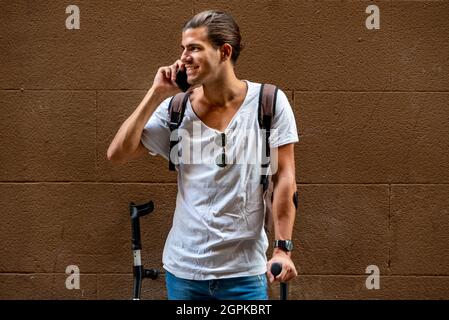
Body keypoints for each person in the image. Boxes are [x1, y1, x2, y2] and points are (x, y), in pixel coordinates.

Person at [107, 10, 299, 300]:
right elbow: (117, 154)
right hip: (185, 272)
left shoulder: (268, 102)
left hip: (244, 274)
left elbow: (284, 178)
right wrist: (155, 93)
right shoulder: (177, 109)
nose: (184, 56)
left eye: (194, 48)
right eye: (183, 48)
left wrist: (282, 249)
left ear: (224, 52)